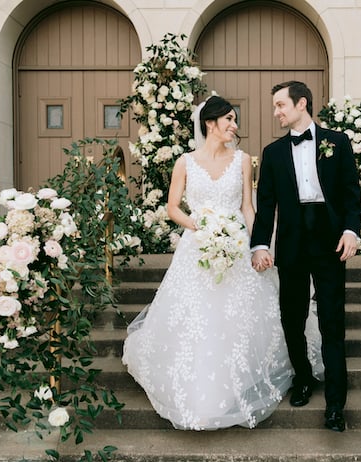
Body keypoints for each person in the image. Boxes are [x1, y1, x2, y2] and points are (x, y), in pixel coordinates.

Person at [122, 95, 295, 430]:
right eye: (229, 119)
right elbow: (173, 208)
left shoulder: (243, 160)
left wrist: (258, 243)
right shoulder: (184, 163)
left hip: (236, 243)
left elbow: (247, 205)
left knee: (240, 315)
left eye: (234, 120)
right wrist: (198, 226)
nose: (235, 126)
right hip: (198, 243)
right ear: (210, 123)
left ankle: (238, 381)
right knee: (197, 317)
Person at [251, 80, 361, 432]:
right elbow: (265, 204)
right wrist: (260, 245)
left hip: (330, 242)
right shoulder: (272, 153)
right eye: (275, 106)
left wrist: (351, 230)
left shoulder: (338, 142)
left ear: (302, 104)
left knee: (332, 323)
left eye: (281, 105)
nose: (276, 112)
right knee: (291, 318)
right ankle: (302, 378)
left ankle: (335, 405)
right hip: (293, 242)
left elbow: (351, 194)